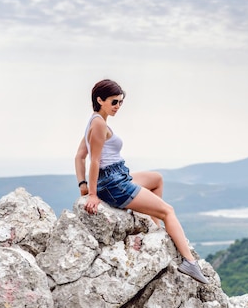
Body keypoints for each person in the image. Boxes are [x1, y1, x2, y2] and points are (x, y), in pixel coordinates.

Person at [74, 79, 209, 284]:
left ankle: (156, 228)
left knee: (156, 179)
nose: (118, 106)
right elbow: (94, 160)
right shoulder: (99, 124)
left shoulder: (94, 120)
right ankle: (189, 263)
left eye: (120, 102)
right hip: (113, 183)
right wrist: (92, 194)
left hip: (117, 176)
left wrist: (82, 185)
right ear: (100, 99)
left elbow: (79, 156)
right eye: (114, 102)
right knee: (168, 211)